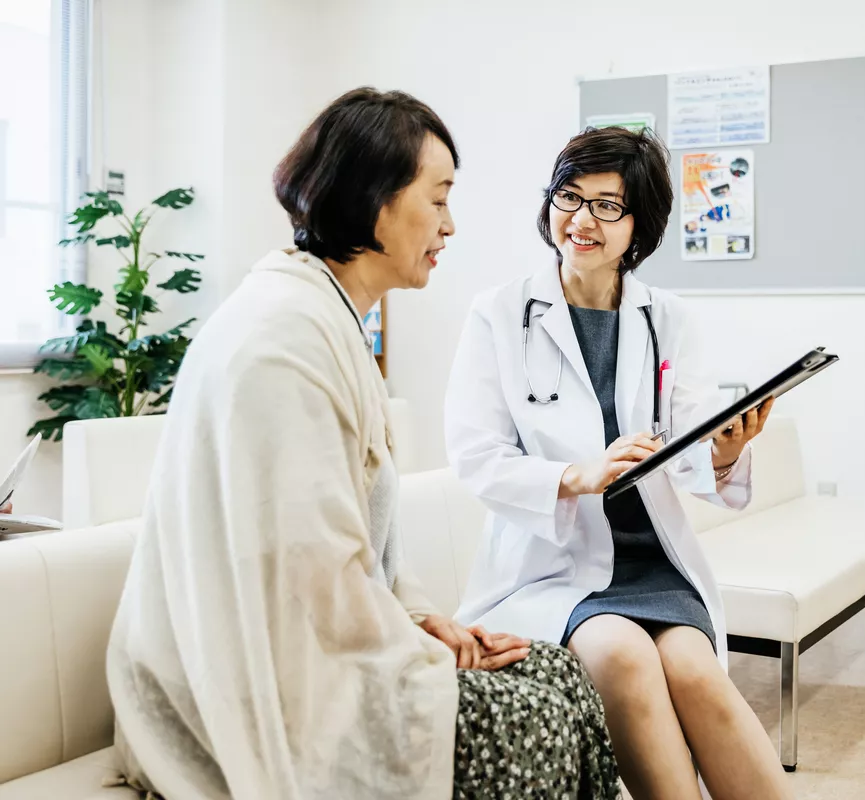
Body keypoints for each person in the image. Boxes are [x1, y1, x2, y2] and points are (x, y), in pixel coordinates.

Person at [105, 88, 621, 800]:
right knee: (535, 721)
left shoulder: (329, 317)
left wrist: (429, 625)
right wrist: (425, 648)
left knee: (563, 674)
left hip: (322, 643)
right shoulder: (281, 342)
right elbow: (314, 580)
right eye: (437, 200)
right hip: (253, 687)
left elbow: (354, 560)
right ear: (376, 200)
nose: (450, 225)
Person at [444, 127, 790, 800]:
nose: (581, 220)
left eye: (608, 205)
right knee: (624, 654)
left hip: (651, 562)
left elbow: (690, 444)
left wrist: (723, 452)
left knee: (693, 670)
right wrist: (576, 475)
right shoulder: (497, 316)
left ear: (641, 225)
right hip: (553, 569)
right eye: (569, 197)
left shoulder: (668, 317)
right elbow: (476, 458)